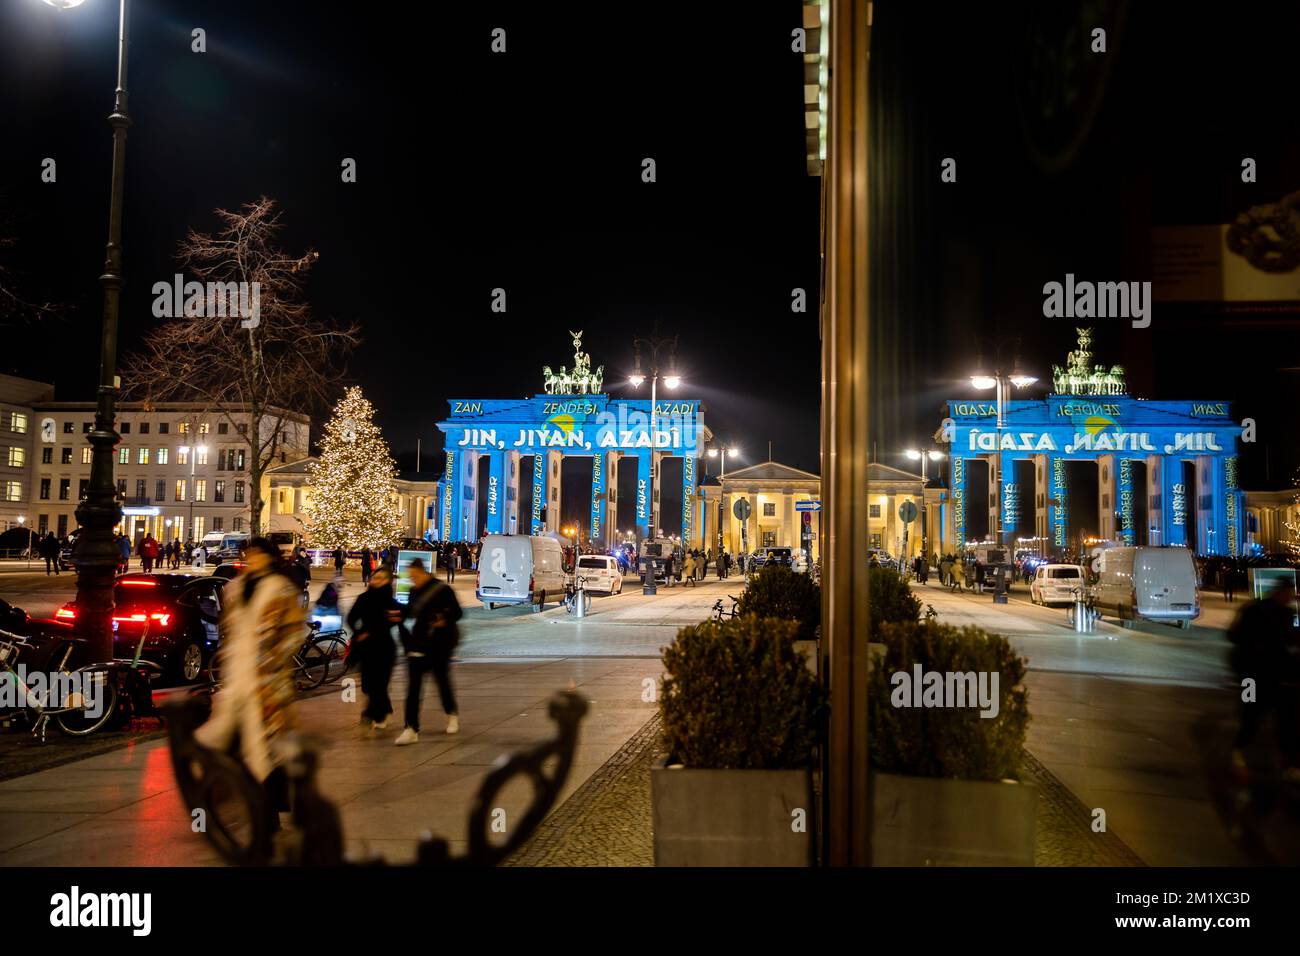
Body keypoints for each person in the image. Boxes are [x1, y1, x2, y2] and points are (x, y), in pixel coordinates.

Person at [193, 537, 305, 827]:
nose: (251, 559)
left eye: (256, 555)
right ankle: (233, 806)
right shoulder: (236, 588)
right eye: (248, 554)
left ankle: (266, 817)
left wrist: (274, 659)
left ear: (269, 558)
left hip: (267, 682)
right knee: (236, 743)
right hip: (239, 678)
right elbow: (228, 627)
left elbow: (294, 632)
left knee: (264, 747)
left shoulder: (279, 590)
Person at [1227, 582, 1300, 783]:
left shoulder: (1280, 612)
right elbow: (1236, 637)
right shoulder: (1258, 611)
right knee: (1252, 715)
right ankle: (1240, 754)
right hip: (1254, 675)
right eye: (1287, 594)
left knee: (1282, 720)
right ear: (1278, 592)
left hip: (1265, 676)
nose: (1289, 598)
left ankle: (1287, 763)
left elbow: (1234, 636)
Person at [395, 558, 463, 745]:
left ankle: (451, 714)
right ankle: (410, 729)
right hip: (419, 642)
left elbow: (458, 612)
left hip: (440, 642)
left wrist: (444, 620)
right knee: (414, 687)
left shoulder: (442, 589)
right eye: (410, 577)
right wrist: (398, 613)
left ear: (423, 572)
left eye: (414, 576)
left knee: (442, 681)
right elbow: (412, 612)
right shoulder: (414, 591)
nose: (413, 580)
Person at [346, 566, 402, 732]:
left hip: (384, 647)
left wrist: (370, 631)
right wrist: (358, 633)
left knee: (380, 684)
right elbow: (351, 618)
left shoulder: (390, 601)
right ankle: (385, 709)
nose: (375, 581)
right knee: (368, 685)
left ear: (387, 581)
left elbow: (395, 620)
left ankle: (373, 715)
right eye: (374, 578)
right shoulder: (363, 598)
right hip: (365, 648)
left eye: (380, 578)